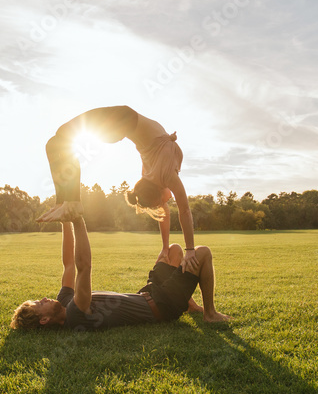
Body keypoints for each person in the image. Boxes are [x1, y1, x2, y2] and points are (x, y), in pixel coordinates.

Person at [36, 105, 197, 270]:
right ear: (157, 193)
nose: (169, 199)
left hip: (122, 121)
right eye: (162, 202)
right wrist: (190, 250)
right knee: (59, 141)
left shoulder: (152, 176)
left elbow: (164, 216)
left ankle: (63, 201)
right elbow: (184, 211)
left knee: (57, 141)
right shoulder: (167, 176)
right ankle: (68, 201)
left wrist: (165, 247)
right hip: (122, 119)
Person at [10, 214, 231, 331]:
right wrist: (78, 220)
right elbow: (82, 267)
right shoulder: (76, 314)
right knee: (202, 253)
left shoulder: (64, 300)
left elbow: (68, 264)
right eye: (39, 304)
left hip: (149, 293)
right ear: (44, 320)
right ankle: (209, 314)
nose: (43, 298)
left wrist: (64, 221)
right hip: (163, 306)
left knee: (173, 250)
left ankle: (190, 305)